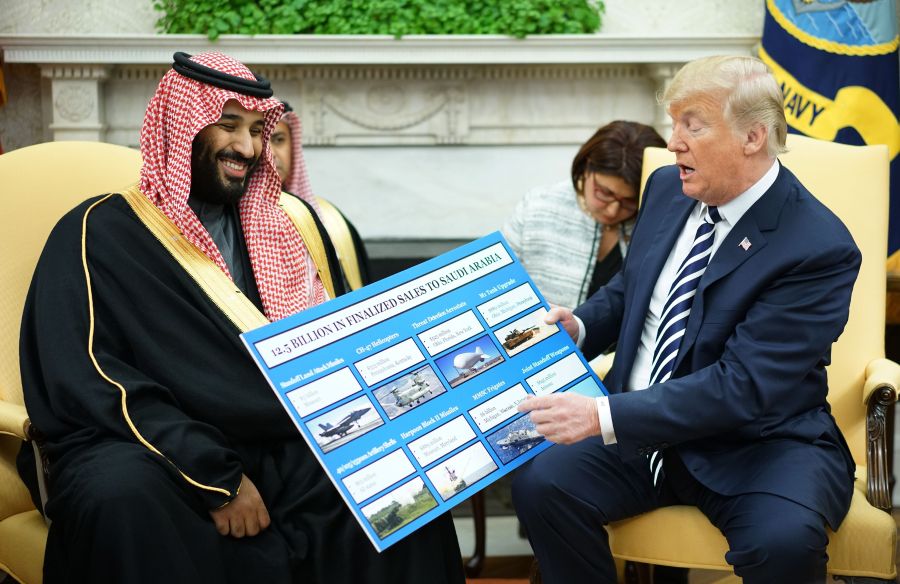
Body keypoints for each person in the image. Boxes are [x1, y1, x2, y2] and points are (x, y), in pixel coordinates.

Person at [16, 51, 464, 584]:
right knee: (120, 496)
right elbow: (93, 380)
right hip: (151, 448)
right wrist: (216, 477)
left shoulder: (278, 233)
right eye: (229, 126)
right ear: (178, 127)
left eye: (257, 130)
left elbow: (337, 345)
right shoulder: (99, 232)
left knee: (397, 481)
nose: (248, 148)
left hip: (277, 441)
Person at [512, 55, 859, 584]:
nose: (673, 142)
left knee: (784, 543)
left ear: (752, 137)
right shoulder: (668, 187)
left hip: (753, 445)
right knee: (542, 483)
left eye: (692, 126)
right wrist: (579, 327)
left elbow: (743, 387)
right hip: (637, 436)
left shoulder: (817, 247)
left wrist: (601, 416)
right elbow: (634, 289)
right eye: (674, 124)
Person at [502, 121, 666, 309]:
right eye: (604, 193)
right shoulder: (537, 207)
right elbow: (499, 281)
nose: (612, 210)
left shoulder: (657, 221)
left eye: (629, 201)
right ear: (587, 167)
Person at [271, 100, 371, 291]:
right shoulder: (231, 224)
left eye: (278, 140)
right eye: (262, 140)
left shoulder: (332, 220)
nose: (271, 153)